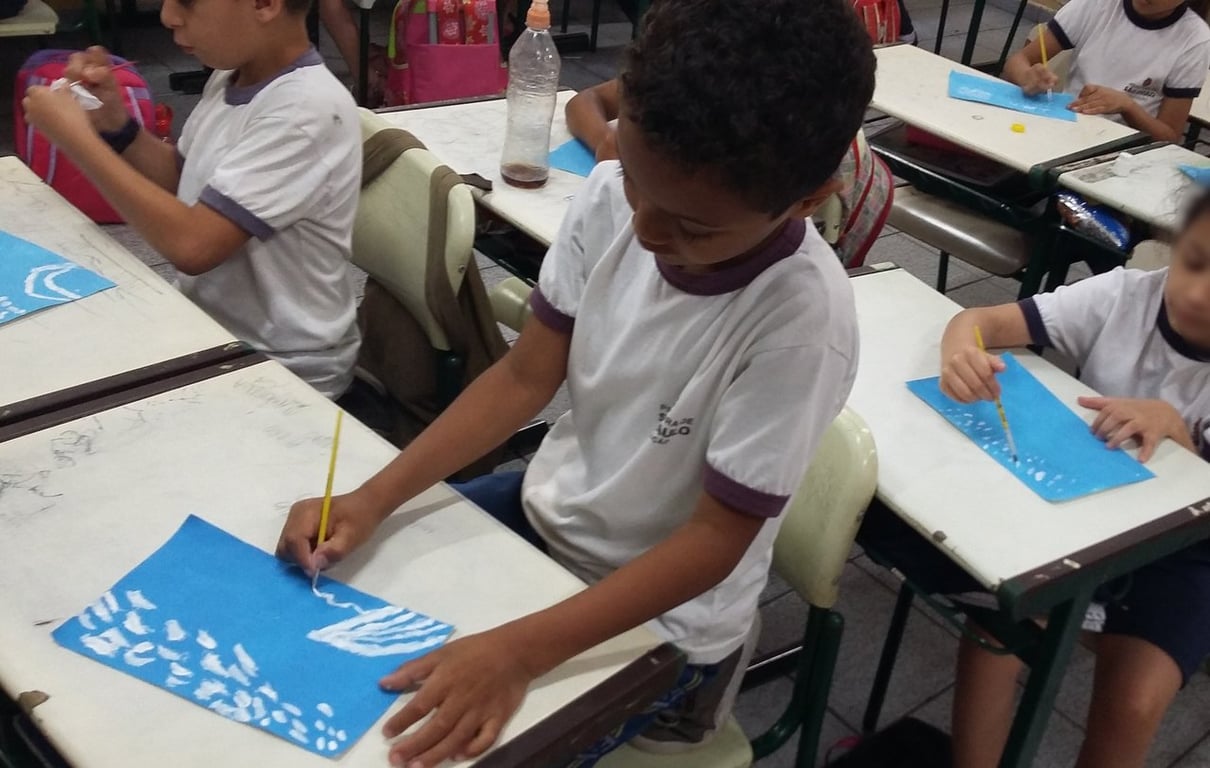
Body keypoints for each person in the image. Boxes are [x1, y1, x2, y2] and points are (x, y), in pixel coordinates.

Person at [275, 0, 876, 764]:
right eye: (639, 187)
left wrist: (520, 652)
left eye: (693, 227)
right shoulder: (609, 196)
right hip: (552, 514)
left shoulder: (801, 320)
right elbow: (525, 376)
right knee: (335, 600)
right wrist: (374, 495)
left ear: (806, 199)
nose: (651, 231)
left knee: (435, 742)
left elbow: (714, 544)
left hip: (671, 625)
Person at [903, 190, 1210, 768]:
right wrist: (958, 348)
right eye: (1194, 261)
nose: (1196, 292)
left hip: (1184, 556)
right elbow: (978, 321)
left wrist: (1179, 433)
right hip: (1077, 519)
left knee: (1134, 703)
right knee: (993, 639)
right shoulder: (1127, 295)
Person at [22, 0, 362, 401]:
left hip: (284, 370)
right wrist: (113, 124)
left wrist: (77, 140)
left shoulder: (305, 109)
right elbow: (185, 179)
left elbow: (194, 245)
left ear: (264, 4)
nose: (168, 16)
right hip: (215, 332)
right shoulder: (231, 76)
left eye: (186, 2)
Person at [566, 78, 892, 268]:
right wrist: (607, 141)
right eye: (629, 177)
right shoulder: (691, 65)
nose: (644, 231)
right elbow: (586, 100)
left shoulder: (787, 125)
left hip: (811, 213)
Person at [1002, 0, 1210, 142]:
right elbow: (1018, 61)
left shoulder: (1195, 39)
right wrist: (1027, 77)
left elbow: (1169, 137)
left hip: (1121, 154)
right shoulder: (1098, 5)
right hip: (1064, 128)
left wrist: (1128, 106)